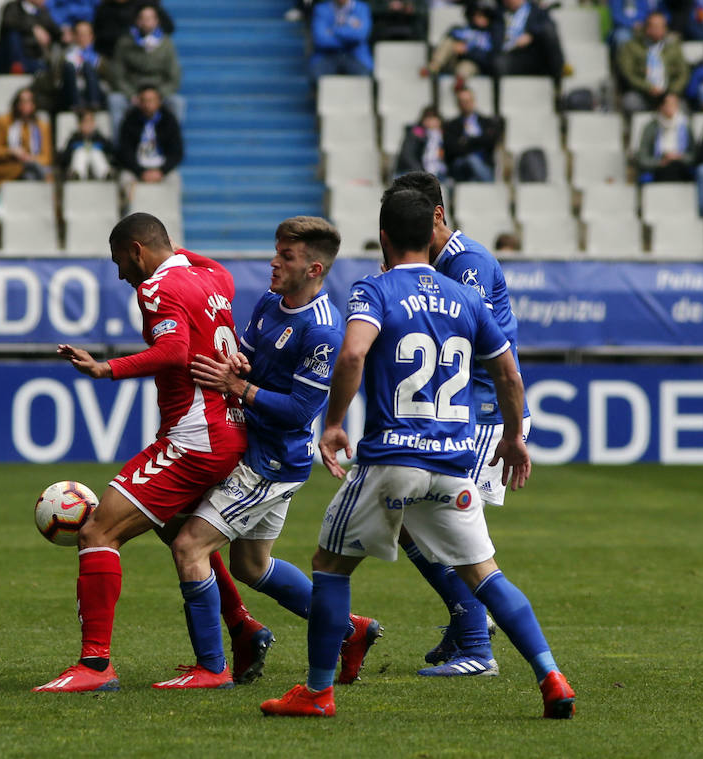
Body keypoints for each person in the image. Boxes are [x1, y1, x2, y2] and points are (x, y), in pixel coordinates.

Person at [259, 190, 576, 719]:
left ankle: (316, 692)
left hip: (393, 459)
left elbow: (354, 352)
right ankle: (552, 675)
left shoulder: (374, 289)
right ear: (430, 232)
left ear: (383, 237)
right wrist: (514, 436)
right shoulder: (466, 297)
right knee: (488, 575)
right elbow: (507, 372)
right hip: (453, 462)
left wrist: (334, 423)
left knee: (329, 567)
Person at [155, 216, 381, 689]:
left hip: (271, 462)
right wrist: (238, 360)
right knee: (250, 566)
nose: (273, 263)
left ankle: (211, 668)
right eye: (276, 252)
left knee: (188, 545)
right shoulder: (268, 302)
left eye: (287, 257)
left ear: (315, 269)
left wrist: (240, 385)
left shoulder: (322, 331)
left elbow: (301, 409)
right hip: (254, 449)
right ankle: (350, 630)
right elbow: (249, 352)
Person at [33, 213, 250, 693]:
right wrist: (173, 251)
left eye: (119, 261)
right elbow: (203, 264)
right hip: (230, 428)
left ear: (136, 250)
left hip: (194, 438)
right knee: (178, 530)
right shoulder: (215, 279)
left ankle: (94, 666)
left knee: (96, 530)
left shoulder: (154, 289)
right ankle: (243, 627)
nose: (120, 275)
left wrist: (105, 368)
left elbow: (173, 352)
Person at [379, 171, 531, 678]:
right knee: (414, 524)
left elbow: (465, 336)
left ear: (437, 216)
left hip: (485, 414)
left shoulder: (466, 263)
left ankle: (475, 635)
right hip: (464, 412)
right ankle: (468, 621)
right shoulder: (438, 264)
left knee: (439, 530)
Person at [107, 3, 183, 136]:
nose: (147, 22)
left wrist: (159, 95)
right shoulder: (125, 43)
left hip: (159, 92)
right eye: (143, 18)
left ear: (156, 21)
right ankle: (119, 148)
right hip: (133, 91)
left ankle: (172, 146)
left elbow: (174, 76)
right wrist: (131, 94)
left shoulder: (166, 44)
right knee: (115, 100)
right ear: (138, 21)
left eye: (150, 18)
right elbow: (118, 75)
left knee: (177, 102)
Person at [115, 84, 183, 201]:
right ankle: (131, 215)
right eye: (144, 101)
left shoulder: (169, 120)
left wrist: (161, 171)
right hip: (137, 168)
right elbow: (125, 151)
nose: (148, 105)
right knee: (125, 179)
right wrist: (140, 172)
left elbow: (177, 152)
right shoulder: (130, 120)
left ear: (159, 101)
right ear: (139, 102)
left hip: (161, 167)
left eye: (151, 100)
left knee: (175, 180)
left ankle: (170, 215)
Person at [616, 11, 688, 113]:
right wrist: (647, 87)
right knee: (629, 102)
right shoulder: (632, 46)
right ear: (647, 28)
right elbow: (628, 73)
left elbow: (683, 72)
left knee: (682, 107)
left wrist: (673, 92)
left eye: (661, 26)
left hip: (668, 93)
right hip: (642, 94)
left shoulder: (673, 46)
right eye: (654, 26)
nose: (658, 30)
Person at [0, 88, 54, 186]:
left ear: (34, 105)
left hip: (34, 166)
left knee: (33, 173)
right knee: (31, 174)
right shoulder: (3, 122)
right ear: (16, 104)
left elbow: (47, 157)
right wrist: (11, 151)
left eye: (29, 102)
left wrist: (30, 158)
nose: (25, 106)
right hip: (11, 168)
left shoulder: (42, 126)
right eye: (22, 102)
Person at [491, 0, 565, 83]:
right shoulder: (499, 13)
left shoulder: (536, 10)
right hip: (511, 56)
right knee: (497, 63)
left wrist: (531, 34)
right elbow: (496, 39)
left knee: (549, 33)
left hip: (533, 54)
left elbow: (549, 27)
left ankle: (558, 79)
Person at [443, 87, 500, 183]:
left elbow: (490, 142)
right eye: (462, 101)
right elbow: (452, 148)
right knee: (470, 160)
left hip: (484, 165)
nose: (465, 104)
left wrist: (466, 141)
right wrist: (478, 142)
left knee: (473, 163)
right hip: (460, 167)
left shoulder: (487, 122)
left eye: (468, 101)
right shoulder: (451, 125)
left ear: (473, 101)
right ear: (458, 104)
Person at [636, 92, 696, 183]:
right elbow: (642, 158)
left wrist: (679, 157)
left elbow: (694, 155)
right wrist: (660, 162)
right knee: (667, 169)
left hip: (681, 166)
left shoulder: (686, 126)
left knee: (676, 167)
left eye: (675, 104)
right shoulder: (650, 127)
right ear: (661, 106)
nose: (673, 107)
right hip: (658, 167)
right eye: (669, 104)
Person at [424, 3, 495, 79]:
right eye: (475, 15)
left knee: (465, 68)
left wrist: (467, 51)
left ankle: (459, 85)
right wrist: (456, 46)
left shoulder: (489, 36)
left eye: (482, 16)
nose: (478, 18)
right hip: (450, 60)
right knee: (448, 42)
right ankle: (433, 67)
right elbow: (445, 42)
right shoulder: (458, 29)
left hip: (471, 64)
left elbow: (487, 58)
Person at [309, 0, 373, 80]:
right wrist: (350, 34)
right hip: (327, 55)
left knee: (364, 75)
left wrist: (333, 30)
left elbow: (360, 36)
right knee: (316, 74)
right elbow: (321, 40)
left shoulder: (362, 8)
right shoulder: (321, 9)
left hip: (355, 55)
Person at [0, 0, 60, 74]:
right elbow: (8, 22)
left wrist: (66, 33)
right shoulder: (13, 7)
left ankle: (26, 67)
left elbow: (55, 32)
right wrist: (33, 28)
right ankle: (18, 65)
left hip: (31, 58)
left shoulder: (42, 12)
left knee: (49, 67)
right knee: (13, 34)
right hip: (9, 59)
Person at [93, 0, 174, 59]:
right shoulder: (104, 9)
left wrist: (148, 35)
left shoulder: (144, 4)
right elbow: (100, 36)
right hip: (113, 56)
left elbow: (168, 27)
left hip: (147, 57)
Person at [60, 21, 110, 111]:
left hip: (96, 90)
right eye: (80, 34)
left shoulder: (99, 56)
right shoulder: (67, 54)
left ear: (92, 36)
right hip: (72, 91)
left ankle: (94, 103)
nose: (83, 38)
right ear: (75, 36)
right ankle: (76, 104)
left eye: (86, 34)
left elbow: (108, 75)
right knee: (69, 67)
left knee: (87, 66)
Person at [394, 105, 447, 181]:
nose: (430, 121)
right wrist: (421, 172)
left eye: (433, 118)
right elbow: (407, 155)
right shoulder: (415, 133)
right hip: (413, 172)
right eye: (427, 117)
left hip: (438, 174)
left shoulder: (444, 137)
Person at [60, 108, 115, 179]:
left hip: (97, 168)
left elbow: (111, 152)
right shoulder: (74, 139)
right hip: (77, 165)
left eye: (91, 121)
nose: (89, 125)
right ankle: (77, 175)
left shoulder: (100, 138)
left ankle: (106, 174)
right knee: (80, 153)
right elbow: (65, 157)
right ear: (80, 124)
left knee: (96, 153)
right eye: (86, 121)